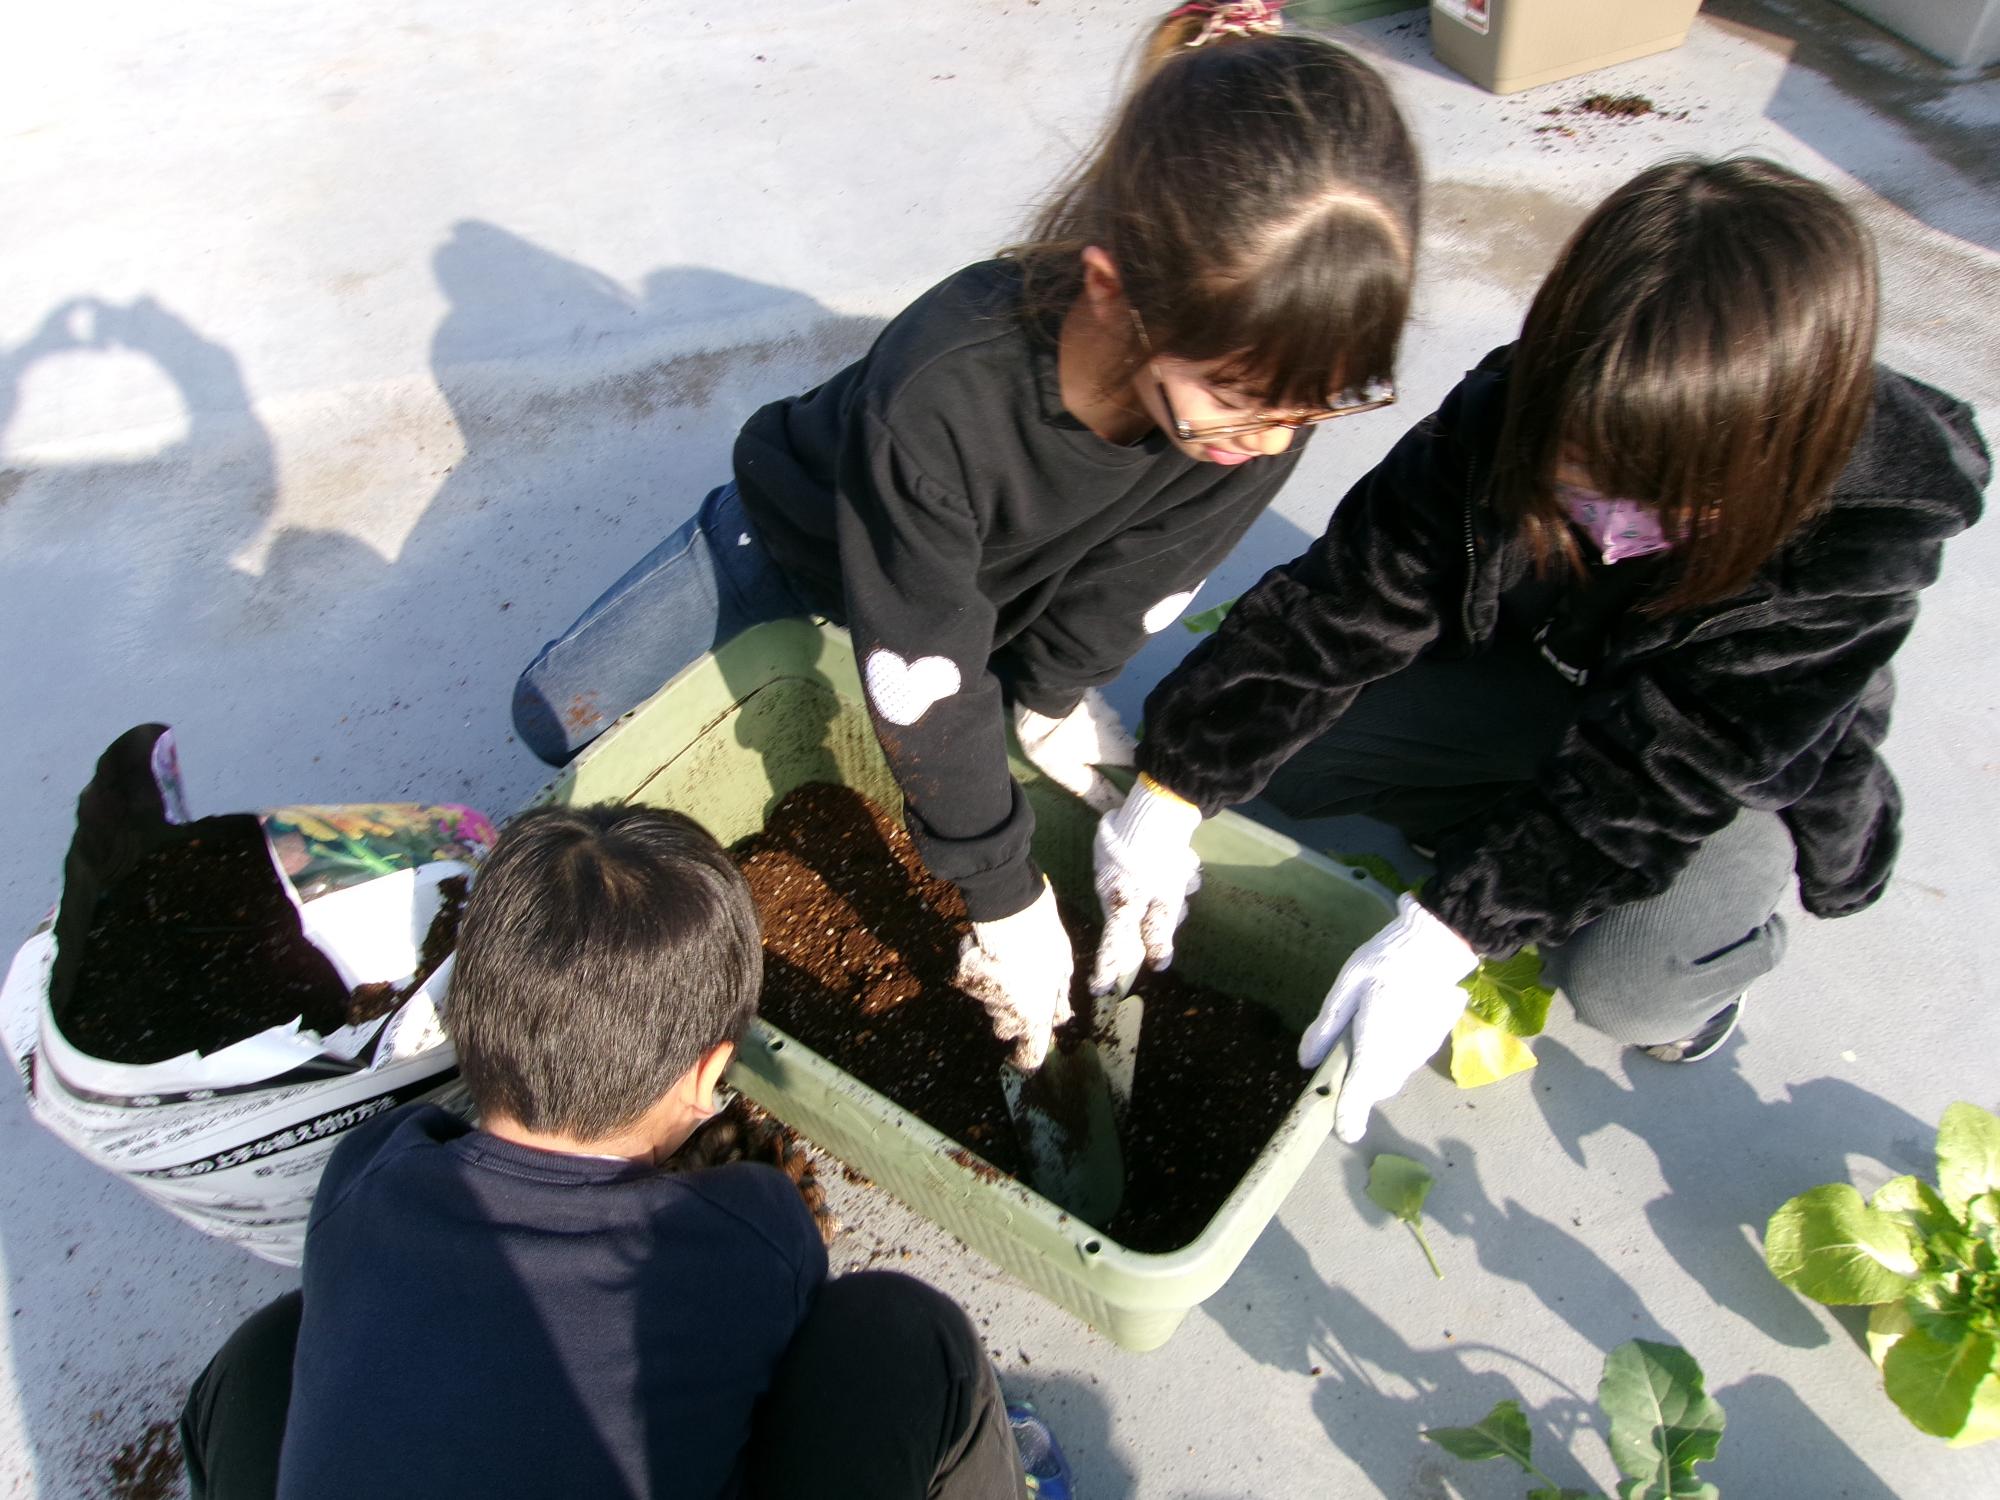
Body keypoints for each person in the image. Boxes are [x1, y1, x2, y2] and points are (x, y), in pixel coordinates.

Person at [510, 0, 1422, 1073]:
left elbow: (1132, 582)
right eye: (1242, 397)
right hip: (796, 550)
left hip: (960, 610)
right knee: (553, 723)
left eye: (1308, 408)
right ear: (1114, 288)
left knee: (955, 723)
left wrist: (1043, 699)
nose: (1269, 436)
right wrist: (1003, 894)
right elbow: (921, 675)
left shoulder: (1260, 408)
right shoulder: (943, 390)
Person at [1090, 157, 1990, 1144]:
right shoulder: (1515, 406)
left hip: (1713, 763)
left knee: (1630, 990)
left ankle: (1709, 958)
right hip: (1537, 678)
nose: (1608, 520)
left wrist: (1449, 933)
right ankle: (1503, 825)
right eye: (1579, 470)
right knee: (1251, 769)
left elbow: (1658, 775)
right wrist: (1170, 788)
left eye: (1662, 496)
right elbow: (1340, 603)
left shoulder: (1852, 542)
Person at [178, 803, 1061, 1500]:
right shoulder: (749, 1230)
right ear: (712, 1072)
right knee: (903, 1337)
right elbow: (778, 1359)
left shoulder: (367, 1174)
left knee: (262, 1360)